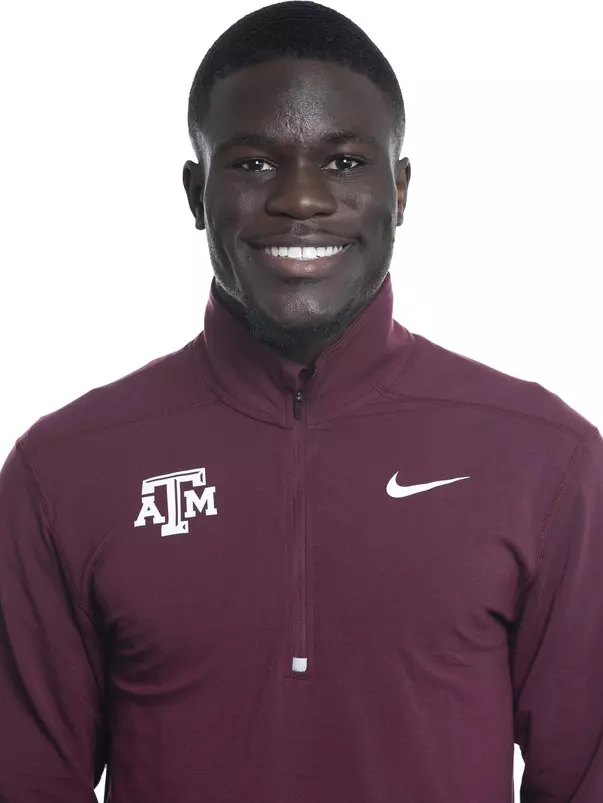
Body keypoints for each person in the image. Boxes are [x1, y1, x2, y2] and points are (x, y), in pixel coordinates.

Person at [0, 2, 601, 801]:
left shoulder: (542, 457)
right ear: (195, 194)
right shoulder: (64, 470)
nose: (302, 199)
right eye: (253, 164)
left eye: (344, 162)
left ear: (399, 190)